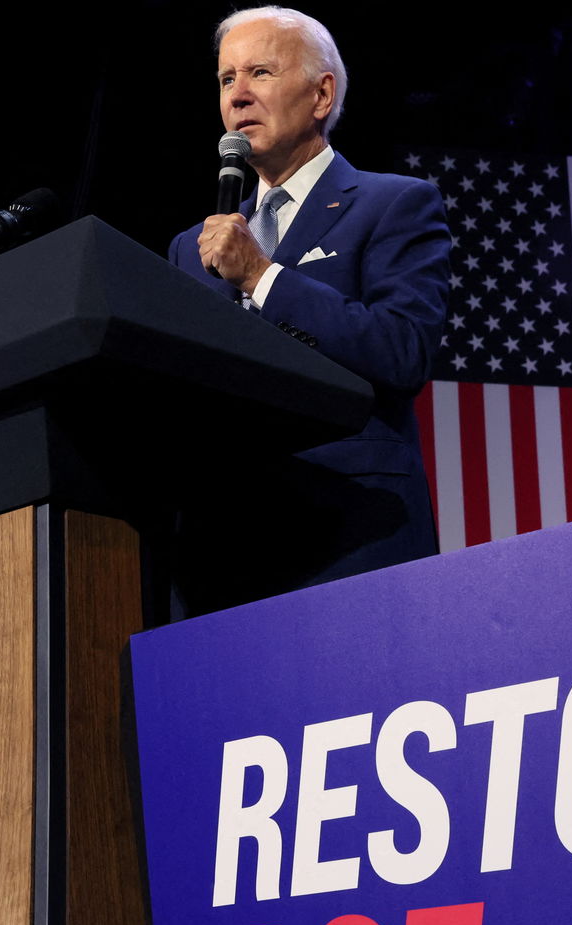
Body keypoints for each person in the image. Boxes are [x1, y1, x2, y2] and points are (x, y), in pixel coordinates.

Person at [169, 5, 451, 613]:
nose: (238, 95)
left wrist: (262, 276)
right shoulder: (189, 250)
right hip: (219, 552)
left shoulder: (393, 204)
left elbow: (402, 351)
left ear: (321, 95)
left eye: (260, 73)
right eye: (226, 79)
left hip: (350, 533)